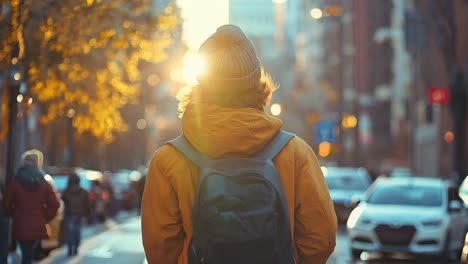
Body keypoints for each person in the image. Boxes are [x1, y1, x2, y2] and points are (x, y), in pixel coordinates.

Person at [141, 24, 337, 264]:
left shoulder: (167, 161)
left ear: (201, 84)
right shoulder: (295, 153)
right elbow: (321, 239)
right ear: (258, 83)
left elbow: (159, 250)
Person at [2, 149, 60, 264]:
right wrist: (44, 218)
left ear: (24, 162)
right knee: (28, 253)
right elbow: (55, 204)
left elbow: (5, 203)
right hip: (38, 224)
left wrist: (14, 214)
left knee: (25, 253)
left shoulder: (15, 180)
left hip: (20, 223)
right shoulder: (44, 182)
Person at [61, 172, 90, 256]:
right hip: (80, 215)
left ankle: (70, 249)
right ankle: (76, 248)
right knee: (77, 232)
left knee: (70, 232)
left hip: (70, 214)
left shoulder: (66, 191)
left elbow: (63, 203)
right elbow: (87, 204)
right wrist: (87, 215)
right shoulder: (84, 191)